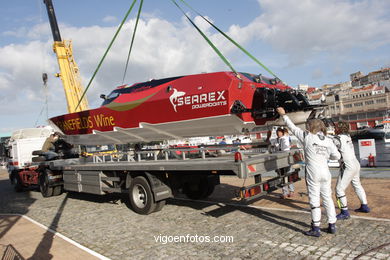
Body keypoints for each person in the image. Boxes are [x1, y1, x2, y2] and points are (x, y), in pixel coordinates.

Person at [276, 107, 341, 237]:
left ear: (310, 127)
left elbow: (292, 127)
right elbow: (337, 157)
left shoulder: (307, 137)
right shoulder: (328, 140)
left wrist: (284, 115)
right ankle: (332, 225)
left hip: (313, 172)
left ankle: (316, 228)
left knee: (314, 199)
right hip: (325, 172)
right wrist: (326, 156)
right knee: (327, 198)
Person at [332, 121, 370, 220]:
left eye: (336, 128)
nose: (334, 129)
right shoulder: (348, 136)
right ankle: (364, 206)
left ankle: (344, 212)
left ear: (339, 129)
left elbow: (330, 143)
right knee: (357, 185)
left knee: (339, 189)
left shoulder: (337, 138)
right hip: (355, 163)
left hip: (347, 165)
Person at [267, 127, 294, 198]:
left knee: (288, 175)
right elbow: (268, 141)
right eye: (277, 132)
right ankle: (285, 192)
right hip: (280, 160)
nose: (278, 134)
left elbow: (287, 133)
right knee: (282, 176)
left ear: (282, 133)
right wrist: (268, 135)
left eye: (279, 132)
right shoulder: (275, 140)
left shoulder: (286, 138)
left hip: (287, 158)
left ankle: (291, 190)